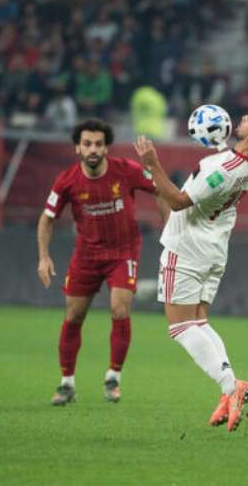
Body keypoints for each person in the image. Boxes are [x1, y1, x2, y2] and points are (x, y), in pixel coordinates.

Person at [133, 99, 248, 432]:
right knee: (200, 322)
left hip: (186, 248)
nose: (244, 116)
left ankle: (231, 386)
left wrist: (151, 163)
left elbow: (176, 202)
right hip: (215, 249)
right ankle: (227, 390)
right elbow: (233, 162)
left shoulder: (219, 168)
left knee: (180, 328)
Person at [38, 118, 162, 406]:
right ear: (77, 149)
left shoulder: (126, 171)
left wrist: (170, 227)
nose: (93, 149)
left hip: (123, 252)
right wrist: (43, 257)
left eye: (98, 144)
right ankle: (66, 383)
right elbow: (46, 219)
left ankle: (113, 377)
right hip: (86, 255)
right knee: (73, 316)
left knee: (120, 309)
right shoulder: (67, 180)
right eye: (87, 144)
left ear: (106, 148)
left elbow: (160, 189)